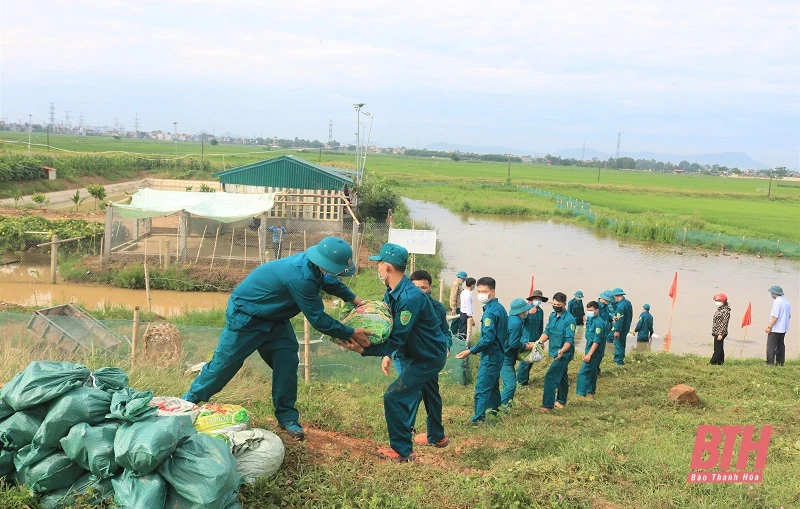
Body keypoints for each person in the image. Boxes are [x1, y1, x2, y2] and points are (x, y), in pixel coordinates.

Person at [183, 237, 371, 441]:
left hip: (275, 319)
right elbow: (318, 319)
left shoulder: (316, 267)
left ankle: (287, 417)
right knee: (225, 364)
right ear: (325, 264)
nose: (337, 273)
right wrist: (350, 331)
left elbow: (330, 282)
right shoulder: (300, 276)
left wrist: (355, 300)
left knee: (287, 362)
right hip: (247, 316)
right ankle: (187, 403)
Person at [339, 243, 450, 462]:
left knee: (394, 396)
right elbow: (385, 324)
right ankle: (436, 437)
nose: (377, 268)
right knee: (427, 393)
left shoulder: (410, 298)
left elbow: (396, 338)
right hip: (416, 353)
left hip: (427, 358)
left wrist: (363, 349)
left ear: (388, 267)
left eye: (379, 264)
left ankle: (402, 451)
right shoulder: (392, 292)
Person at [399, 270, 451, 433]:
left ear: (430, 288)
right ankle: (407, 428)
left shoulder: (437, 308)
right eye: (415, 288)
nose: (420, 291)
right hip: (406, 357)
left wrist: (446, 346)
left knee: (431, 394)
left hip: (429, 358)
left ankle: (435, 433)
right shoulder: (404, 305)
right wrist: (388, 353)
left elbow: (445, 331)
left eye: (423, 288)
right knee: (410, 390)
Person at [456, 277, 508, 424]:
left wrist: (470, 350)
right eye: (478, 291)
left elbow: (488, 339)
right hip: (498, 354)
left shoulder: (490, 313)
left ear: (492, 292)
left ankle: (478, 419)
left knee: (482, 389)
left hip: (491, 356)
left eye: (484, 291)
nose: (480, 294)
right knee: (492, 387)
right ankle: (495, 414)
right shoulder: (500, 308)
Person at [536, 292, 576, 412]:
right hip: (554, 352)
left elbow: (569, 339)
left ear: (565, 304)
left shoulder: (570, 319)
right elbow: (547, 331)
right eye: (554, 304)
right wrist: (539, 342)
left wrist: (562, 350)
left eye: (559, 304)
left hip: (564, 353)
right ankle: (561, 401)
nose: (556, 306)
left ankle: (547, 405)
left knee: (550, 376)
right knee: (562, 375)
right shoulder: (552, 316)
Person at [500, 298, 535, 408]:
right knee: (511, 385)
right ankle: (498, 408)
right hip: (506, 357)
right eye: (525, 310)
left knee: (507, 383)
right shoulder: (517, 323)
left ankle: (506, 406)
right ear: (522, 311)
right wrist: (528, 346)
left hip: (503, 354)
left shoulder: (510, 319)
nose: (526, 312)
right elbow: (514, 344)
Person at [576, 301, 607, 399]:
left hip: (595, 352)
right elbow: (589, 339)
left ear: (596, 311)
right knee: (592, 372)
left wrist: (589, 354)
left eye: (591, 310)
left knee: (583, 372)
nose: (589, 312)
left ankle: (582, 394)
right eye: (588, 310)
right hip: (590, 350)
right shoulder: (591, 320)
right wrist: (586, 352)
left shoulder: (599, 323)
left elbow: (596, 341)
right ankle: (591, 392)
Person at [516, 289, 547, 386]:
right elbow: (518, 320)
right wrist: (528, 313)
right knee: (525, 362)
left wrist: (541, 341)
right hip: (526, 339)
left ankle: (525, 380)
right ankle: (520, 382)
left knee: (532, 360)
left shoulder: (541, 311)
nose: (537, 300)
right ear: (532, 299)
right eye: (536, 298)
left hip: (536, 339)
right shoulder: (526, 309)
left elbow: (540, 327)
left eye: (539, 299)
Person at [765, 285, 792, 366]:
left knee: (771, 346)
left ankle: (770, 362)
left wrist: (769, 326)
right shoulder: (787, 301)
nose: (771, 294)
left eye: (771, 293)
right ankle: (780, 362)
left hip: (776, 328)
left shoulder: (777, 302)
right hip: (783, 328)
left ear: (774, 293)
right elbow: (789, 316)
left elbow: (775, 316)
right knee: (781, 345)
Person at [611, 288, 633, 365]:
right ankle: (621, 359)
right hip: (626, 327)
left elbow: (619, 320)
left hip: (620, 328)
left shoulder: (620, 306)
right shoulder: (628, 303)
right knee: (622, 344)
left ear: (616, 296)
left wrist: (617, 330)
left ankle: (618, 361)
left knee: (618, 344)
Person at [710, 293, 731, 365]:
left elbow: (724, 323)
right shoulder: (720, 309)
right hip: (716, 331)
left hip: (720, 332)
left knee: (717, 349)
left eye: (718, 301)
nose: (716, 302)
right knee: (720, 348)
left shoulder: (725, 311)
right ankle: (720, 362)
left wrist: (720, 334)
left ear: (723, 302)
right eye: (716, 301)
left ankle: (712, 363)